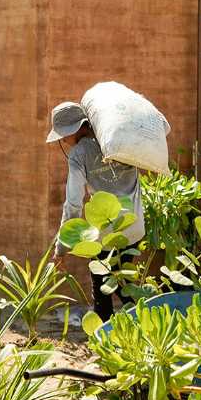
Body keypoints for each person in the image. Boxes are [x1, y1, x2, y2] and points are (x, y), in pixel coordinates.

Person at [47, 101, 144, 321]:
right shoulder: (116, 140)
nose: (63, 140)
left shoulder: (79, 155)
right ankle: (140, 334)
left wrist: (61, 247)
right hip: (134, 225)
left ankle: (108, 344)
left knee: (104, 293)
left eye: (64, 135)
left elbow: (73, 204)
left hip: (107, 232)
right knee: (125, 285)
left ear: (79, 128)